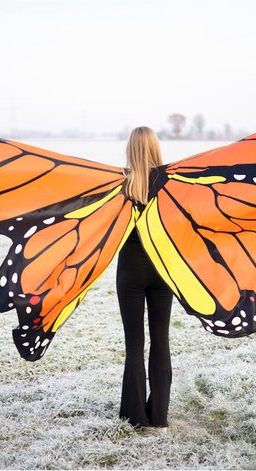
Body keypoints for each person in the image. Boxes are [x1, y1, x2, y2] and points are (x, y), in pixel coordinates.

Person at [117, 127, 174, 431]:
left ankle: (135, 416)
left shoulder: (120, 184)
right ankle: (160, 418)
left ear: (130, 149)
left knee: (134, 344)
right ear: (154, 148)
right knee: (161, 340)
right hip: (162, 268)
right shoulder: (170, 183)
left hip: (130, 270)